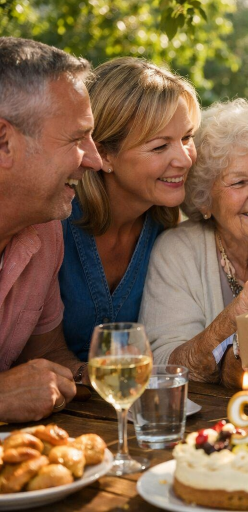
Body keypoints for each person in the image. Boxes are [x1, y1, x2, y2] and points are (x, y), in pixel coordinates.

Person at [140, 99, 248, 388]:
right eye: (240, 182)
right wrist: (233, 317)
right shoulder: (179, 252)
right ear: (205, 198)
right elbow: (165, 365)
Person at [59, 57, 200, 361]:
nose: (185, 159)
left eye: (186, 138)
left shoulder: (167, 231)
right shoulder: (54, 223)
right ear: (104, 154)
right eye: (160, 146)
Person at [0, 37, 102, 422]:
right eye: (77, 139)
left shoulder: (45, 231)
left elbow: (48, 357)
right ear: (4, 142)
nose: (95, 160)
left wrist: (99, 378)